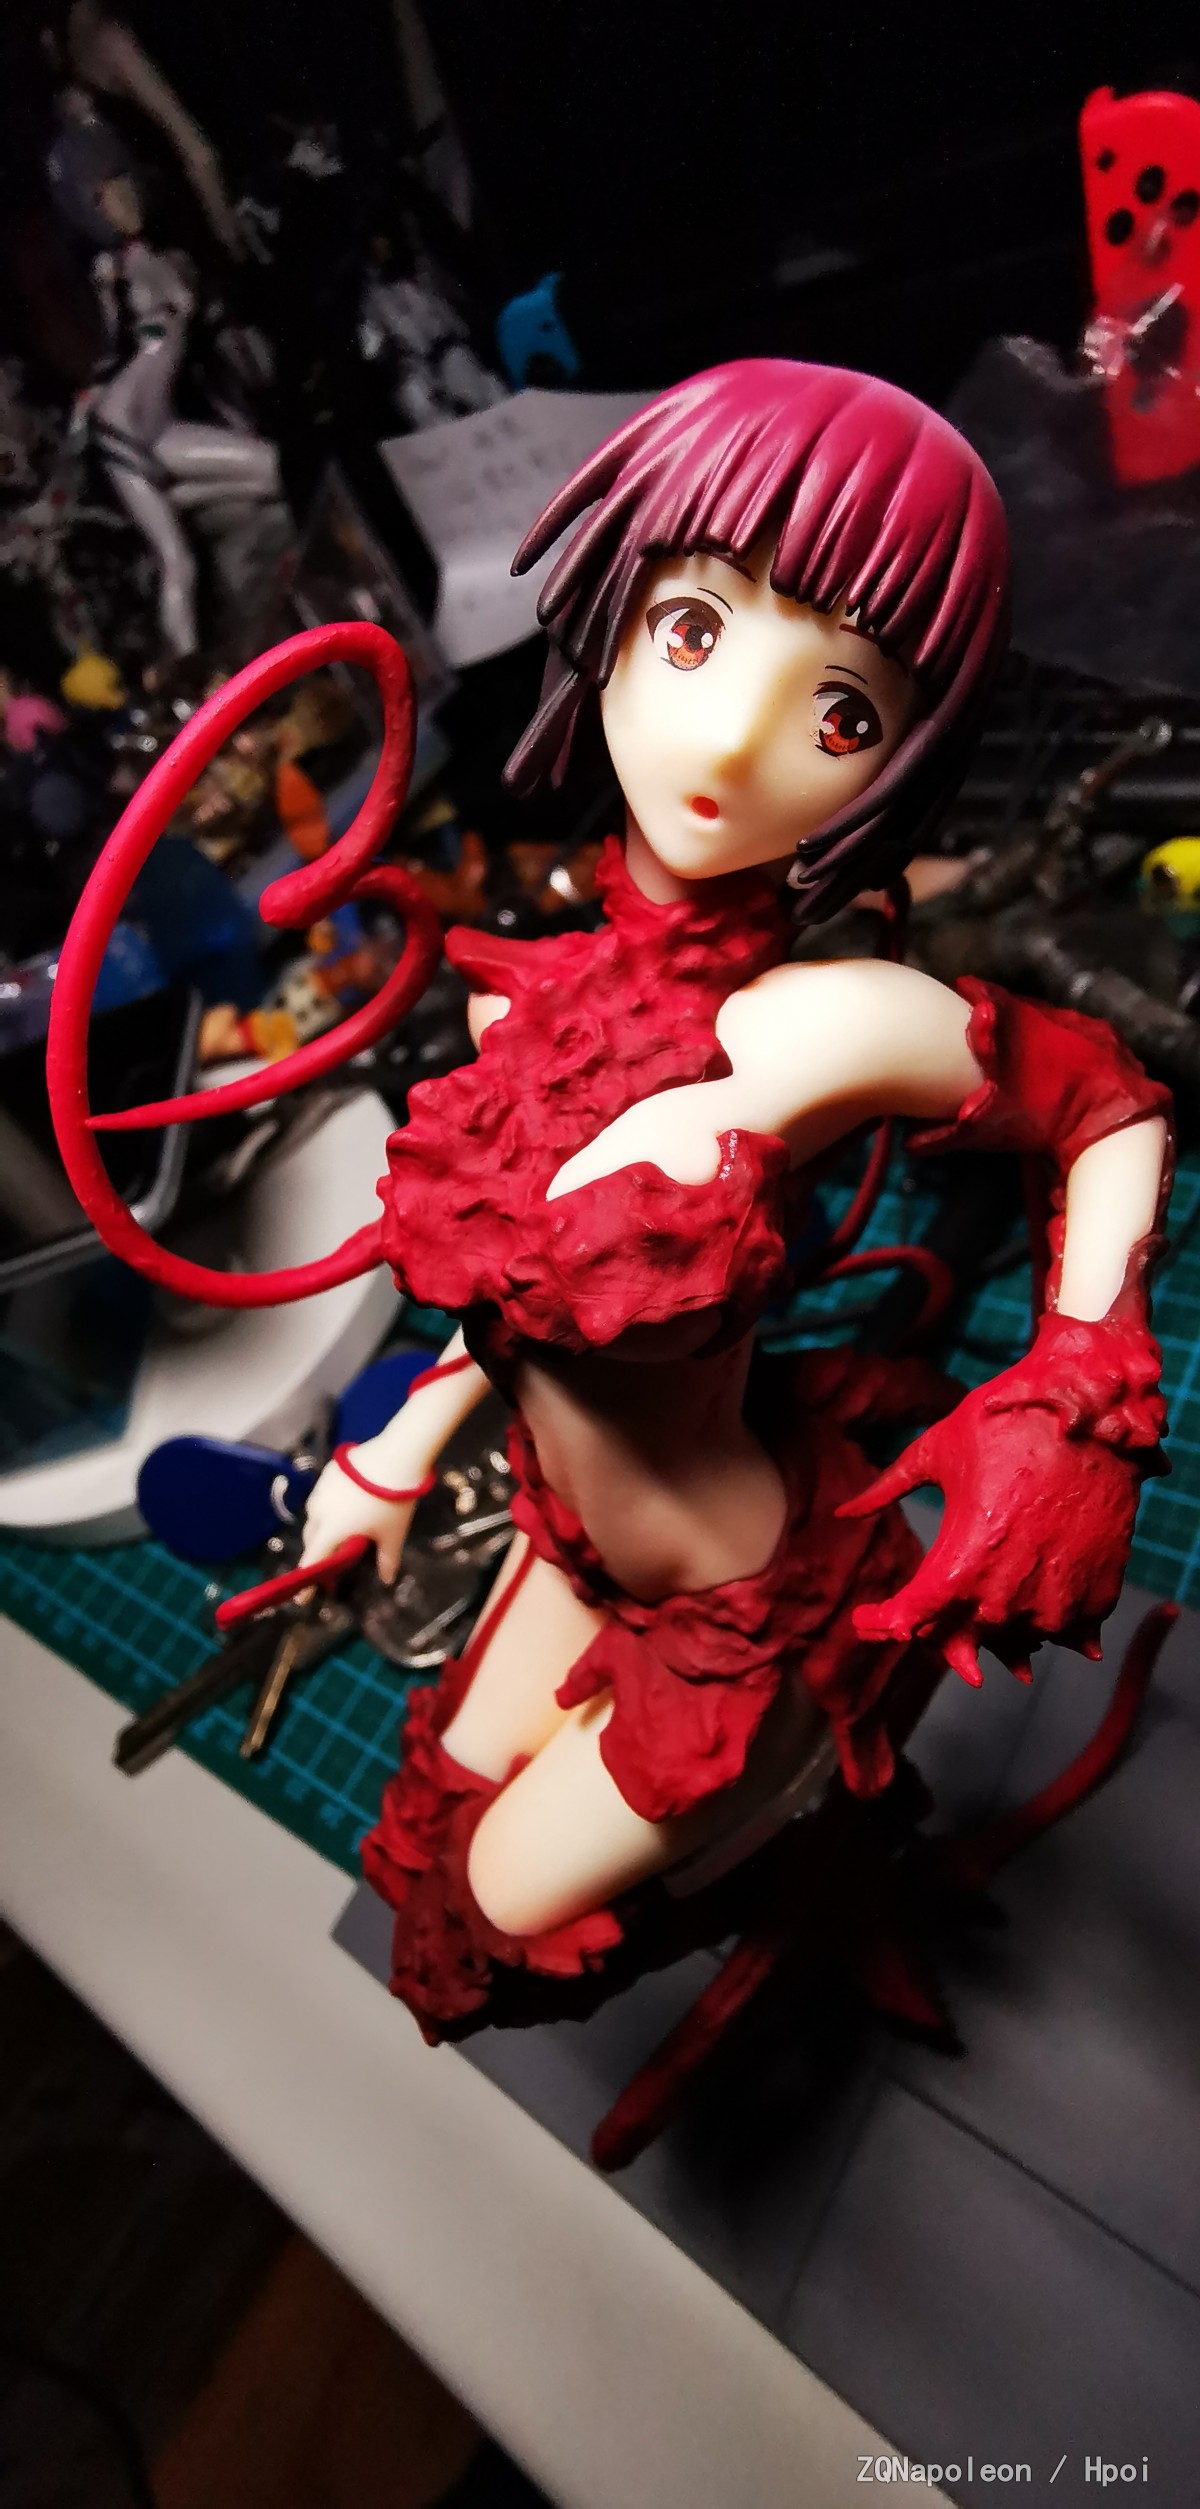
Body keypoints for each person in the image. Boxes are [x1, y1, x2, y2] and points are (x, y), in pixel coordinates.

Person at [294, 361, 1172, 2039]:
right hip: (564, 1541)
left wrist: (1076, 1391)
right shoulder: (523, 1003)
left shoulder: (824, 1025)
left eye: (841, 712)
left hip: (736, 1602)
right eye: (695, 631)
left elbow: (1108, 1099)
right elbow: (527, 1309)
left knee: (488, 1917)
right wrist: (396, 1445)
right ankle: (805, 1845)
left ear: (905, 753)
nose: (730, 738)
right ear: (617, 609)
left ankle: (805, 1819)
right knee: (423, 1844)